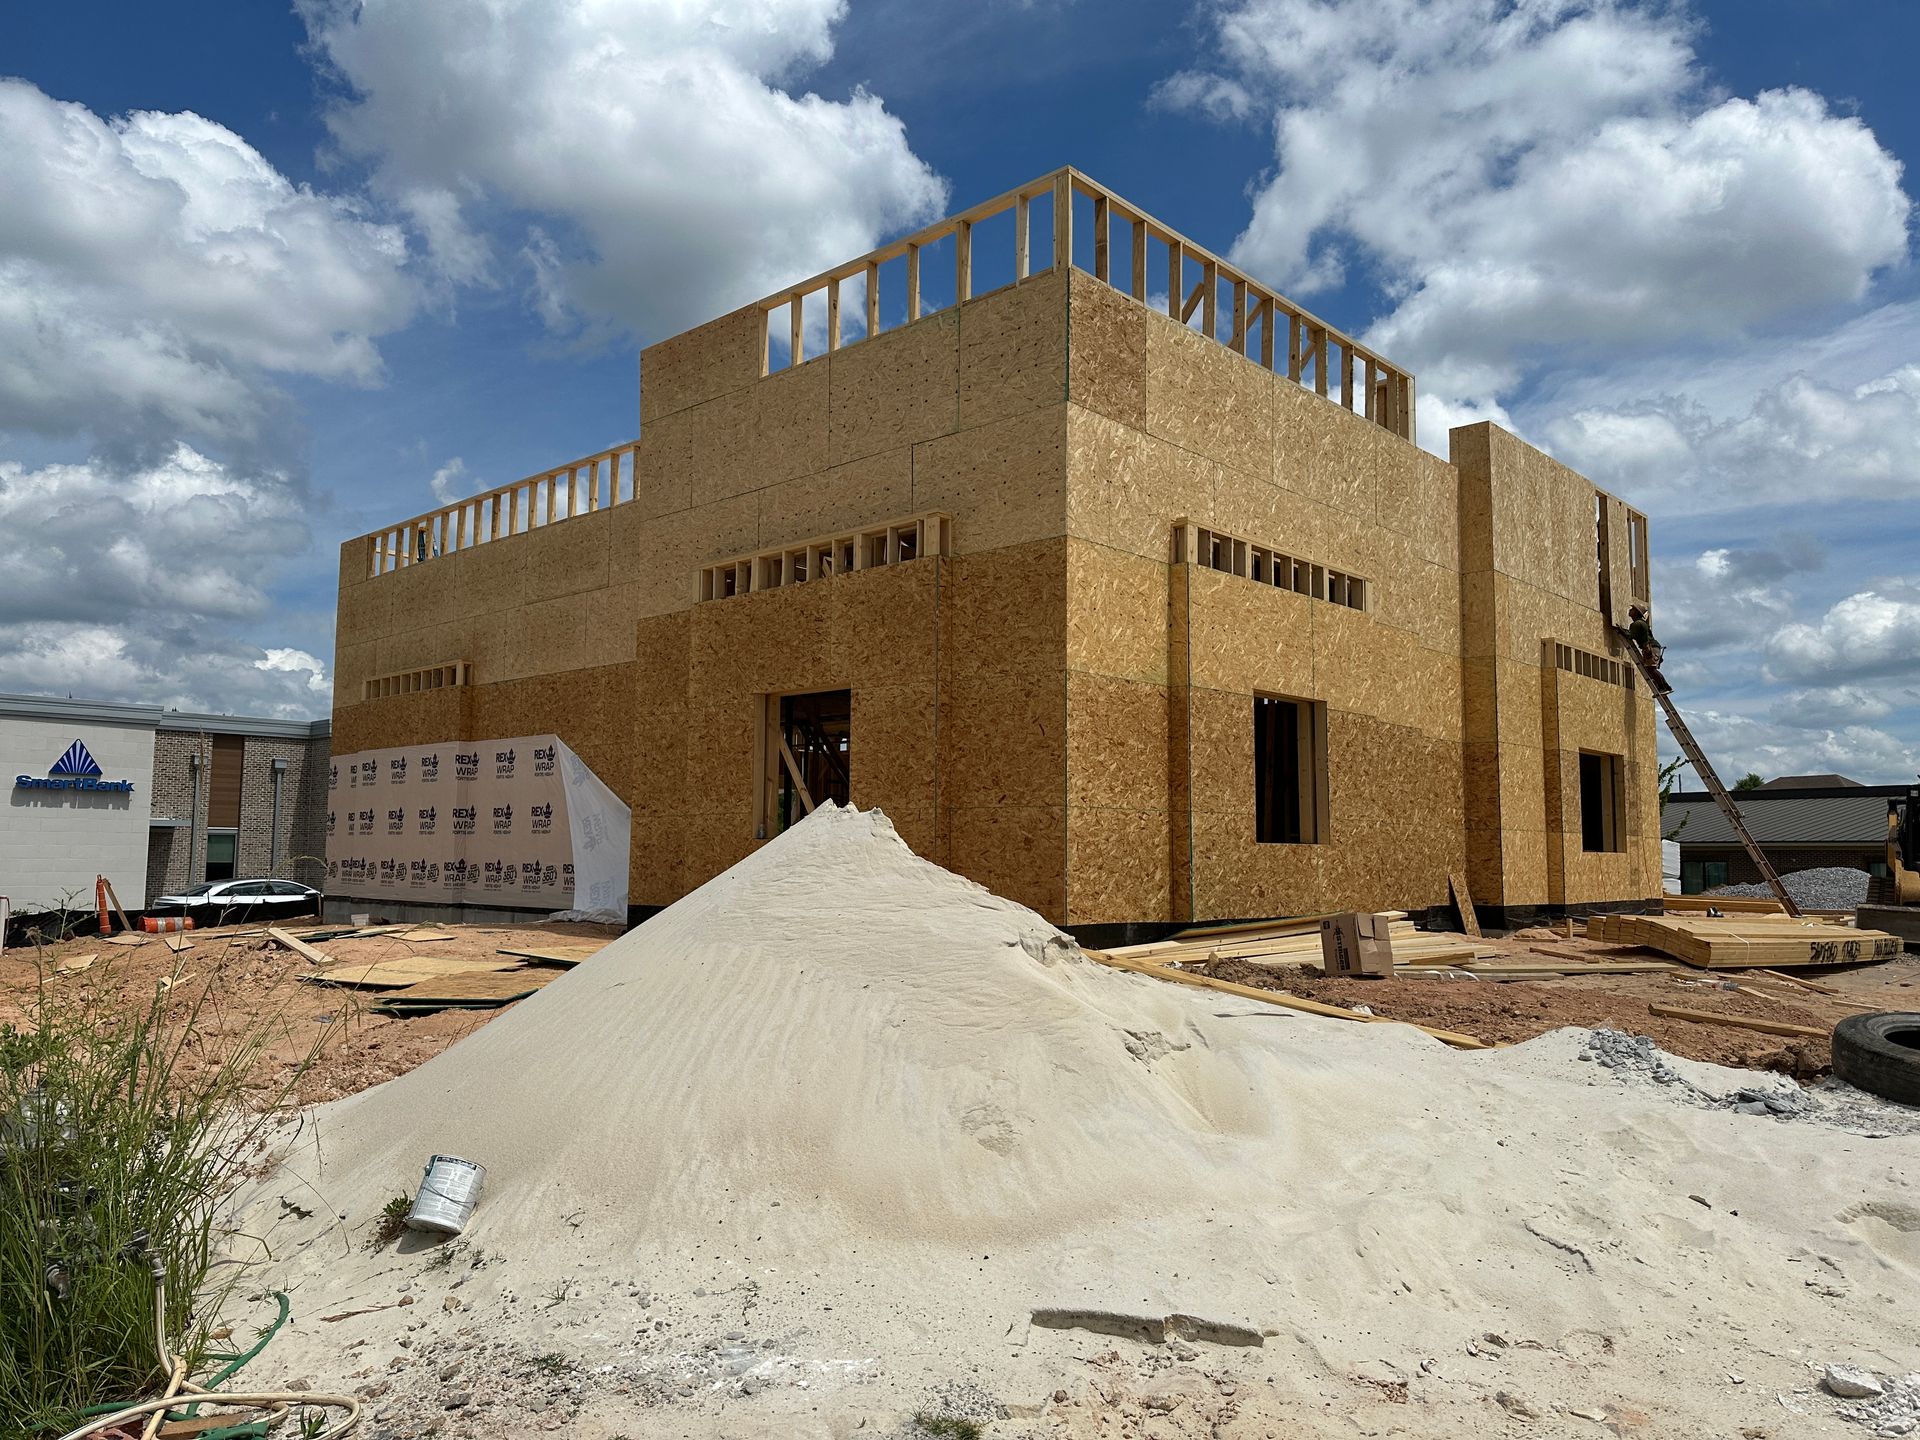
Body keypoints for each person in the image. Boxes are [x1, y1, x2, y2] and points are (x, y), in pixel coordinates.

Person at [1620, 604, 1670, 693]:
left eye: (1632, 609)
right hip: (1653, 647)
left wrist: (1620, 631)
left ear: (1636, 613)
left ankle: (1664, 687)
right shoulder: (1641, 623)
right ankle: (1665, 686)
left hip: (1650, 647)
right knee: (1651, 669)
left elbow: (1630, 636)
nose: (1630, 610)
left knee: (1651, 669)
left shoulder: (1637, 624)